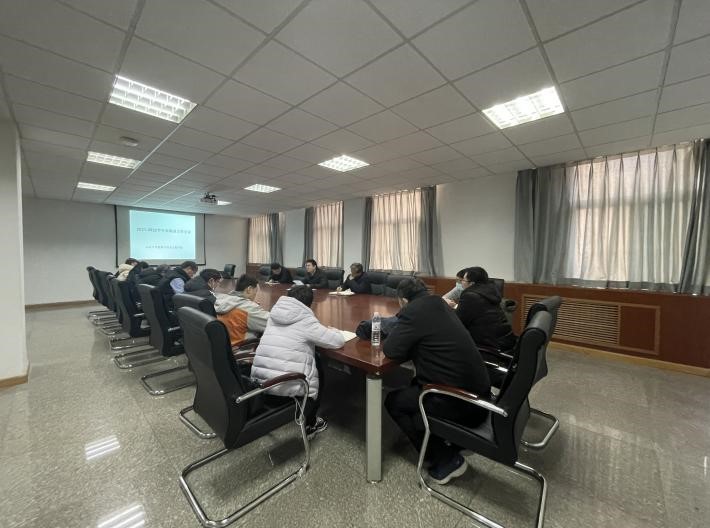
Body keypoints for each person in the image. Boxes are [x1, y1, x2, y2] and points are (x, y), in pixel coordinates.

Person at [383, 278, 491, 485]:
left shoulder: (413, 312)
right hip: (481, 394)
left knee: (394, 402)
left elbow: (391, 350)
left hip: (460, 400)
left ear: (403, 300)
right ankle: (452, 440)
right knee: (413, 388)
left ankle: (447, 460)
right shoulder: (439, 304)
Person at [251, 285, 344, 437]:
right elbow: (337, 342)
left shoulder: (274, 315)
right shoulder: (305, 320)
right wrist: (335, 331)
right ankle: (311, 424)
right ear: (309, 304)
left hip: (260, 387)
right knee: (318, 368)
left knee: (312, 358)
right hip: (286, 390)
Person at [456, 267, 516, 351]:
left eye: (463, 280)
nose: (461, 282)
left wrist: (447, 309)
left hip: (490, 347)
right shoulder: (489, 291)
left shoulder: (470, 296)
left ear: (472, 284)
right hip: (504, 340)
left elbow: (458, 322)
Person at [214, 274, 270, 347]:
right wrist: (253, 307)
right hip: (239, 348)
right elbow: (271, 322)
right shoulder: (249, 308)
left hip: (221, 345)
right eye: (255, 292)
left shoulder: (222, 299)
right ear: (249, 289)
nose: (255, 295)